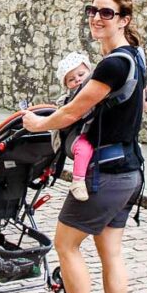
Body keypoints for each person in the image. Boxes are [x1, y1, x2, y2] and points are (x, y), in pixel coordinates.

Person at [21, 0, 147, 293]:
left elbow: (73, 111)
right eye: (93, 10)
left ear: (123, 20)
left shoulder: (112, 64)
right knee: (110, 251)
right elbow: (143, 104)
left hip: (104, 174)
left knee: (65, 244)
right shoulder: (136, 58)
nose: (96, 17)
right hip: (130, 169)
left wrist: (37, 124)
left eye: (107, 13)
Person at [55, 52, 95, 201]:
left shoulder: (97, 89)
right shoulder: (67, 99)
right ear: (66, 85)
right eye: (71, 79)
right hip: (78, 135)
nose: (77, 79)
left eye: (81, 74)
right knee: (83, 148)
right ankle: (78, 181)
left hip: (97, 131)